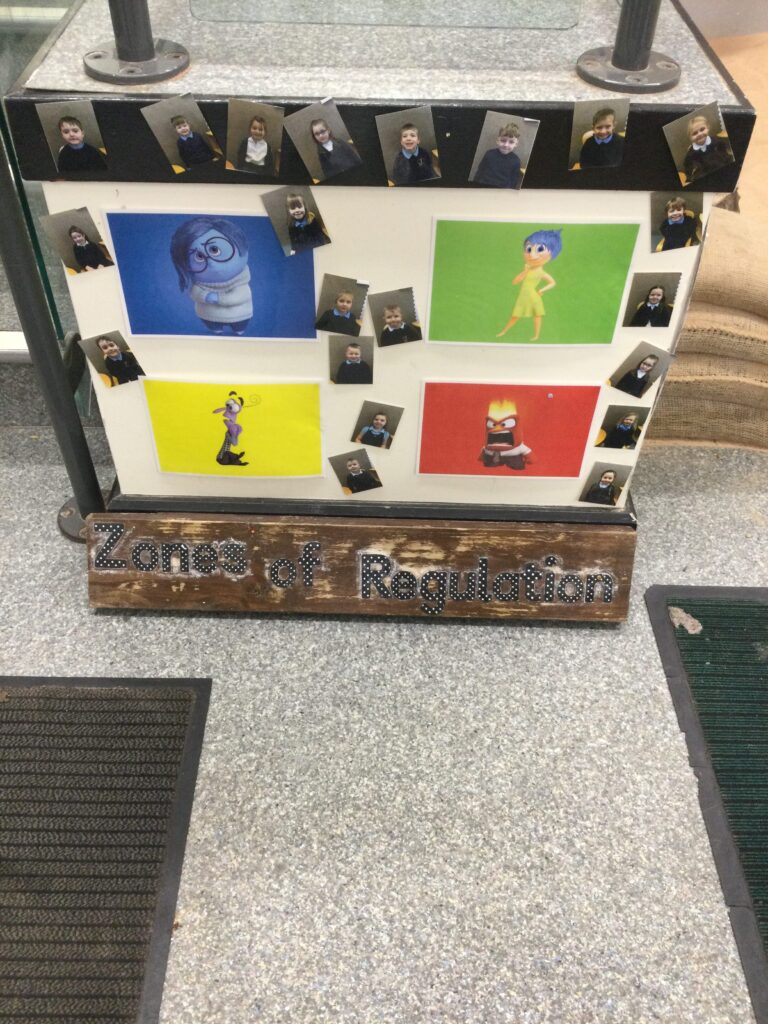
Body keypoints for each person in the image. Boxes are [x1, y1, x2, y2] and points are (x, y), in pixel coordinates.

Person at [170, 216, 252, 335]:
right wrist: (204, 296)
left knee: (239, 329)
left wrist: (219, 298)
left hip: (239, 315)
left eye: (214, 250)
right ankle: (216, 331)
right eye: (199, 257)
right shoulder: (198, 285)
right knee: (213, 331)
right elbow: (195, 293)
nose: (211, 263)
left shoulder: (241, 283)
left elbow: (241, 296)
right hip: (208, 316)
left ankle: (239, 331)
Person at [497, 228, 562, 341]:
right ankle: (504, 331)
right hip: (523, 297)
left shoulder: (541, 272)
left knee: (537, 315)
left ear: (551, 254)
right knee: (515, 316)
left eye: (540, 249)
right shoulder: (527, 270)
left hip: (533, 297)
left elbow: (552, 283)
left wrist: (541, 290)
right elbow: (515, 281)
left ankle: (536, 335)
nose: (531, 255)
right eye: (528, 249)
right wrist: (525, 271)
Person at [682, 113, 733, 185]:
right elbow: (687, 164)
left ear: (708, 128)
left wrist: (725, 155)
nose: (699, 134)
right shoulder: (692, 151)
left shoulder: (715, 139)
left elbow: (723, 144)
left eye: (702, 129)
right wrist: (689, 178)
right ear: (690, 137)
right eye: (695, 133)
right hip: (704, 170)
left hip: (719, 162)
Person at [474, 121, 523, 189]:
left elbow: (513, 181)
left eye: (511, 142)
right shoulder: (489, 154)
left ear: (516, 144)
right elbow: (480, 172)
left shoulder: (516, 161)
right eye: (503, 140)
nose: (506, 145)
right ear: (497, 140)